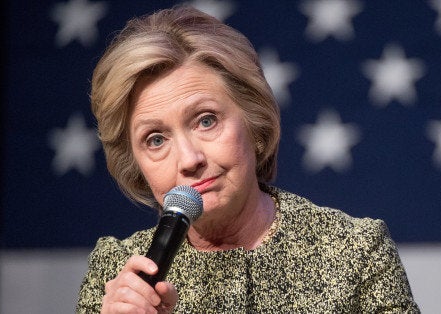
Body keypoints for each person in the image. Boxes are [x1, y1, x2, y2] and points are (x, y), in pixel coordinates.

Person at [76, 4, 420, 313]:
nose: (189, 159)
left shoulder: (356, 253)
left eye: (206, 120)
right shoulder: (115, 274)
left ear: (254, 121)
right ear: (134, 164)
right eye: (155, 139)